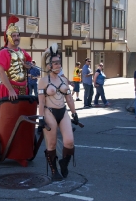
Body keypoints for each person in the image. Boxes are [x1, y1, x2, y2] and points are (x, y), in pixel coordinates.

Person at [38, 43, 79, 181]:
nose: (58, 65)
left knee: (69, 141)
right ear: (49, 66)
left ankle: (64, 163)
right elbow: (42, 102)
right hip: (49, 112)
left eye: (59, 62)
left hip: (63, 112)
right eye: (55, 63)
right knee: (52, 144)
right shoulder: (42, 82)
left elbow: (69, 98)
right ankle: (54, 169)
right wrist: (41, 118)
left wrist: (74, 113)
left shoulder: (64, 80)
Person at [0, 16, 32, 100]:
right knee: (10, 113)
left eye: (18, 35)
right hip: (10, 89)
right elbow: (1, 72)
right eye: (14, 36)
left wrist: (29, 64)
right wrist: (10, 90)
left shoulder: (22, 51)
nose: (17, 38)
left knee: (24, 112)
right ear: (9, 37)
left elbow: (30, 62)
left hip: (23, 89)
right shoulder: (3, 52)